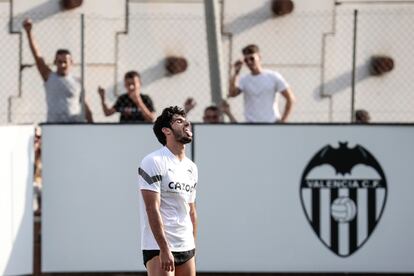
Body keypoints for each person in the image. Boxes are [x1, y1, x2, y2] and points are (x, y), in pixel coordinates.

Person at [138, 106, 197, 275]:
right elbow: (152, 208)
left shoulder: (191, 168)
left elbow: (191, 210)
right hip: (158, 247)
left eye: (186, 120)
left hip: (186, 246)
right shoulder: (153, 161)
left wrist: (193, 247)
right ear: (166, 131)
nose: (186, 123)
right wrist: (164, 249)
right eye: (179, 121)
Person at [22, 18, 93, 123]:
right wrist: (29, 32)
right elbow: (37, 57)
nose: (63, 65)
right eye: (59, 62)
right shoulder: (49, 77)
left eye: (65, 62)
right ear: (55, 62)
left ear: (71, 62)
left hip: (74, 125)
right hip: (53, 126)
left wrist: (92, 125)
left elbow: (84, 105)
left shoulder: (78, 81)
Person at [229, 44, 296, 123]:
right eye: (246, 60)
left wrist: (283, 121)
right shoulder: (244, 79)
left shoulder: (273, 76)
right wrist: (236, 73)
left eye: (252, 58)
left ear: (259, 57)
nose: (249, 62)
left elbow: (290, 99)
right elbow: (232, 93)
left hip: (271, 122)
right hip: (251, 123)